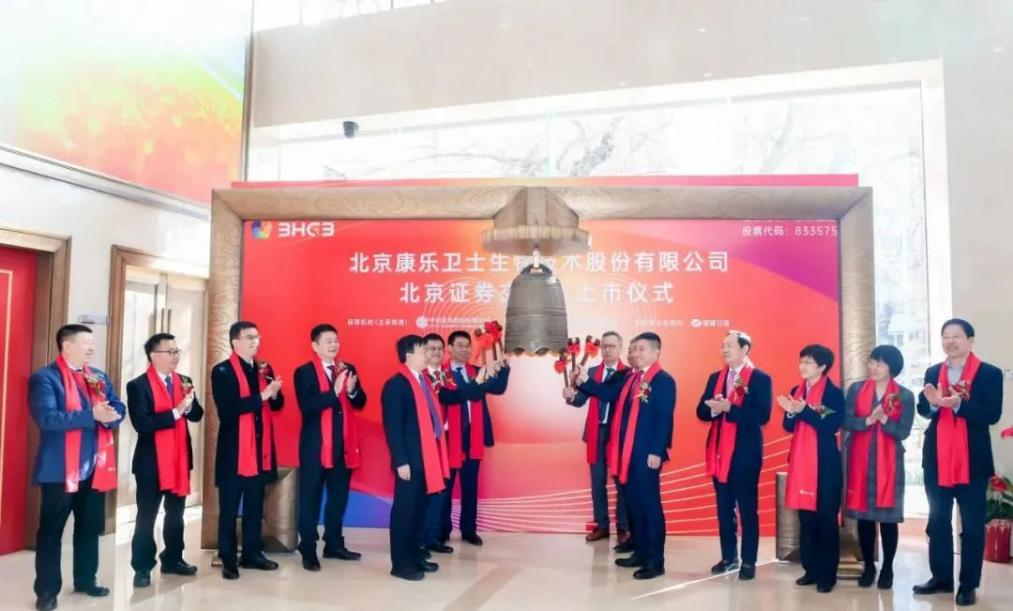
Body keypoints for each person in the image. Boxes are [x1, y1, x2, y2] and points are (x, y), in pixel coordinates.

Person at [29, 324, 125, 611]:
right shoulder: (45, 378)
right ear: (67, 346)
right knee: (51, 531)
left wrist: (113, 415)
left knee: (89, 527)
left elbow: (117, 406)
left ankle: (86, 579)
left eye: (92, 342)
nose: (92, 347)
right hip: (59, 470)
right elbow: (47, 419)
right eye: (86, 342)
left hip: (94, 466)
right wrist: (91, 415)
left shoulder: (97, 376)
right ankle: (47, 592)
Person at [913, 319, 1003, 607]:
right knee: (938, 522)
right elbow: (924, 408)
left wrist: (957, 405)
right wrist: (932, 404)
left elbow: (991, 414)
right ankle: (941, 578)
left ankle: (968, 584)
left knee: (973, 526)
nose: (950, 341)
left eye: (956, 336)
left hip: (972, 461)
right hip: (937, 459)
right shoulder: (933, 372)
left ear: (970, 341)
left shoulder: (989, 373)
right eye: (945, 336)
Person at [576, 332, 676, 580]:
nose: (636, 353)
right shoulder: (632, 378)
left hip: (647, 454)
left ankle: (656, 561)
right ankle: (640, 553)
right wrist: (584, 381)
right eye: (633, 349)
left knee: (649, 507)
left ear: (656, 352)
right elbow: (609, 395)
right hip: (626, 452)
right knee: (634, 506)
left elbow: (664, 418)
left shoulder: (663, 380)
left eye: (641, 349)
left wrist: (657, 451)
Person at [127, 333, 204, 588]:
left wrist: (189, 408)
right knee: (146, 517)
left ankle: (173, 559)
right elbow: (142, 424)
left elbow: (197, 415)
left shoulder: (184, 381)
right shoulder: (138, 386)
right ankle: (142, 566)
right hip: (151, 464)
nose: (175, 356)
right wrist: (175, 412)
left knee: (176, 515)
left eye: (177, 351)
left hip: (179, 460)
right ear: (154, 356)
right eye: (170, 352)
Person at [695, 330, 772, 581]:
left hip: (745, 453)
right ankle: (729, 558)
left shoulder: (760, 378)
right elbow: (701, 411)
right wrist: (715, 409)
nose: (725, 350)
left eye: (729, 345)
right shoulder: (715, 378)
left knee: (747, 509)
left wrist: (731, 409)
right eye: (723, 346)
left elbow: (762, 416)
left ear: (744, 349)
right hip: (719, 452)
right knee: (724, 509)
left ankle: (749, 561)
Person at [211, 321, 285, 580]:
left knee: (255, 506)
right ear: (235, 342)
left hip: (260, 451)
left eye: (257, 337)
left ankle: (252, 554)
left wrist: (274, 394)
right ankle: (228, 558)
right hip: (234, 453)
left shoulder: (264, 368)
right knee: (229, 509)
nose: (255, 341)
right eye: (249, 337)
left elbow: (277, 405)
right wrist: (263, 396)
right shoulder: (222, 371)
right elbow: (228, 410)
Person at [382, 335, 457, 580]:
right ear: (408, 355)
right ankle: (401, 564)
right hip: (410, 461)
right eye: (423, 350)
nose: (428, 354)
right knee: (405, 513)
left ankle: (415, 556)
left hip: (427, 458)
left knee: (418, 511)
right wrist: (400, 460)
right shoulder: (396, 385)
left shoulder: (423, 381)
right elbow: (393, 427)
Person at [294, 324, 367, 571]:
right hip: (316, 448)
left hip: (343, 447)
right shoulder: (304, 372)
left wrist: (352, 391)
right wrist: (334, 392)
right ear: (315, 346)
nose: (334, 345)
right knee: (310, 500)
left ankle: (334, 544)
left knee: (338, 499)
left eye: (336, 340)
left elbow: (361, 402)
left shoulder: (347, 368)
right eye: (328, 341)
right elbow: (307, 406)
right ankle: (307, 548)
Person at [842, 344, 914, 590]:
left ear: (892, 368)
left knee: (888, 520)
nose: (873, 367)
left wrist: (883, 420)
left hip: (889, 463)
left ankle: (888, 568)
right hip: (860, 460)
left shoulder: (904, 395)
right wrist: (867, 420)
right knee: (864, 519)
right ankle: (869, 567)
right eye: (872, 362)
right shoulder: (856, 389)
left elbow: (903, 432)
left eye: (879, 364)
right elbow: (845, 420)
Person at [778, 344, 844, 594]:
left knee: (826, 519)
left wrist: (803, 410)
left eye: (808, 362)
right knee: (806, 519)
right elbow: (788, 426)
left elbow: (830, 424)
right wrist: (791, 413)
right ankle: (811, 570)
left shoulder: (833, 394)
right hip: (801, 462)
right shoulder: (797, 391)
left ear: (822, 367)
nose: (802, 366)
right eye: (801, 361)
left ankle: (827, 575)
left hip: (825, 463)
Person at [439, 330, 510, 547]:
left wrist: (504, 368)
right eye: (460, 345)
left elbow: (499, 387)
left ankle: (469, 530)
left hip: (473, 436)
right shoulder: (440, 374)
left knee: (470, 487)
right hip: (449, 438)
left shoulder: (478, 371)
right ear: (449, 349)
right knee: (445, 488)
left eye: (468, 346)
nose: (465, 349)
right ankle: (441, 530)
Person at [563, 332, 631, 547]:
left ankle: (623, 527)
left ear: (620, 348)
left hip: (617, 434)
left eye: (612, 346)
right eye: (604, 346)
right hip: (595, 432)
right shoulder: (592, 372)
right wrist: (571, 397)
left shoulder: (627, 374)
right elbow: (580, 400)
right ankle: (601, 525)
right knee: (597, 482)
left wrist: (586, 382)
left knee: (621, 482)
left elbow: (608, 394)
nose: (607, 350)